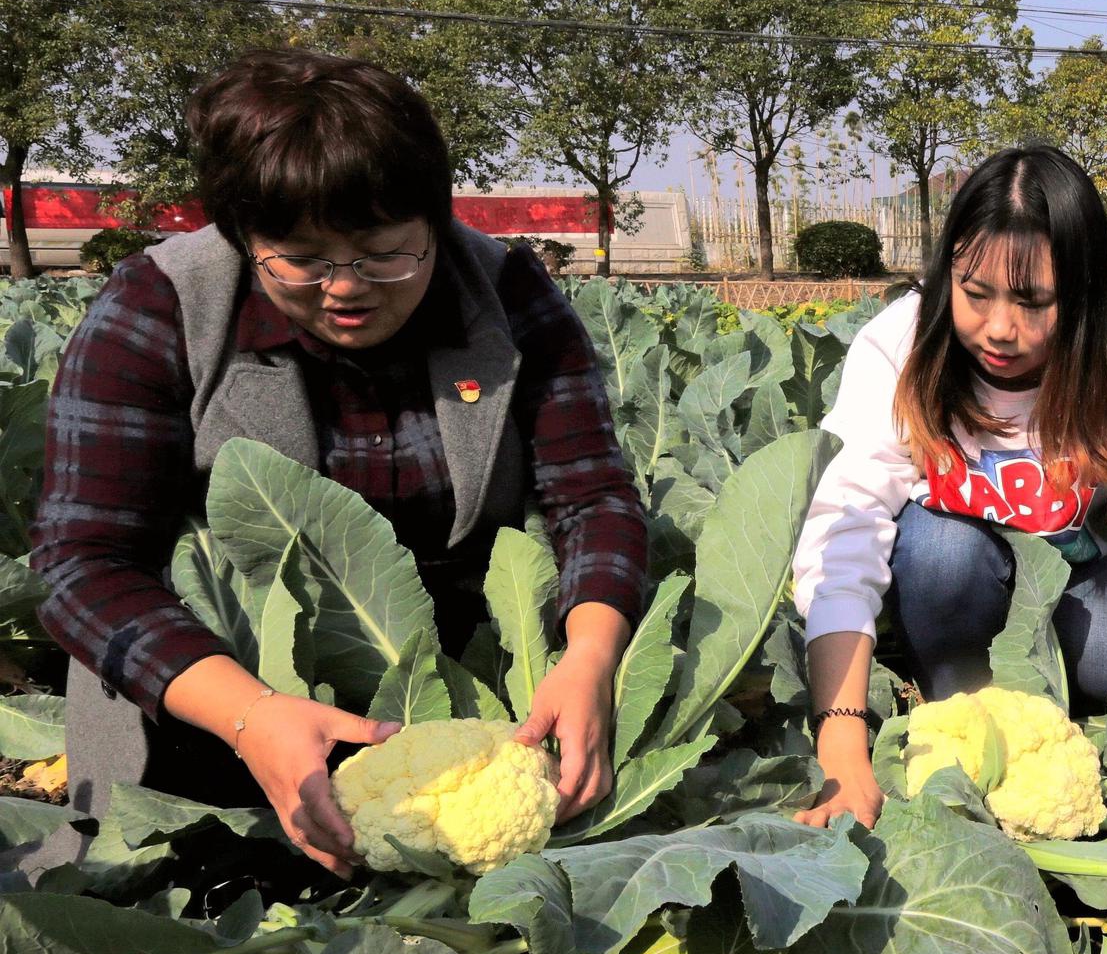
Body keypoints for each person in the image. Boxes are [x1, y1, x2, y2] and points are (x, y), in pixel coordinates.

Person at [30, 50, 649, 879]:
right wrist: (252, 718)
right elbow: (81, 564)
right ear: (243, 237)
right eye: (302, 258)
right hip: (209, 705)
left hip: (460, 699)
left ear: (435, 220)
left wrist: (589, 659)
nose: (346, 288)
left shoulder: (504, 293)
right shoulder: (158, 307)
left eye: (387, 253)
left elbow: (593, 496)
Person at [791, 146, 1107, 854]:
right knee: (943, 552)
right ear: (948, 276)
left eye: (1033, 303)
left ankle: (1038, 713)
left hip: (1065, 581)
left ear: (1083, 294)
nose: (1001, 328)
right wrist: (840, 735)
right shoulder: (899, 347)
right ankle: (946, 703)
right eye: (976, 294)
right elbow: (846, 526)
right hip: (945, 582)